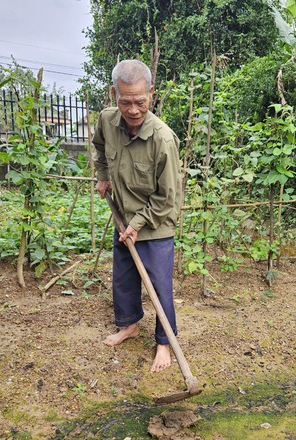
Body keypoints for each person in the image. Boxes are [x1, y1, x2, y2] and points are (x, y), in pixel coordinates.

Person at [92, 59, 182, 373]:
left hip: (156, 222)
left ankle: (163, 343)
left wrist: (137, 225)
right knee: (125, 277)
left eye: (140, 102)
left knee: (159, 286)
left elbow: (166, 199)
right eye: (125, 102)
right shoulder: (106, 120)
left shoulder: (163, 140)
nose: (133, 110)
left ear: (151, 94)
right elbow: (100, 147)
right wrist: (103, 174)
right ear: (113, 93)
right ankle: (129, 325)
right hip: (123, 212)